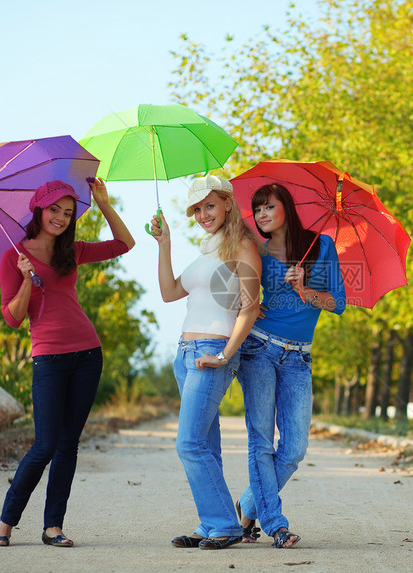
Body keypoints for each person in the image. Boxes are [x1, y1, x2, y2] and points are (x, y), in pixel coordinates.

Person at [0, 178, 135, 548]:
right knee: (45, 444)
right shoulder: (13, 256)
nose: (61, 218)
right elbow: (13, 318)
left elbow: (124, 244)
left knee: (69, 444)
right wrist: (25, 280)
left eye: (69, 213)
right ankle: (6, 522)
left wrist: (102, 202)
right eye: (55, 209)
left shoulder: (73, 252)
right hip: (48, 358)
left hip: (88, 353)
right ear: (39, 208)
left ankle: (53, 526)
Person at [149, 174, 262, 550]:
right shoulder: (207, 248)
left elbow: (249, 308)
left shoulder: (242, 248)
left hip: (213, 352)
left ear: (228, 203)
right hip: (185, 353)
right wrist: (165, 244)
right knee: (206, 445)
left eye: (209, 205)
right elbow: (169, 292)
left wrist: (225, 355)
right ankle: (211, 524)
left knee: (189, 443)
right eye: (196, 209)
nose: (202, 214)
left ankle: (225, 525)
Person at [235, 183, 346, 548]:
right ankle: (276, 525)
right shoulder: (256, 249)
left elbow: (338, 304)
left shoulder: (321, 246)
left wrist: (304, 291)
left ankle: (248, 504)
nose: (263, 215)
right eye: (258, 210)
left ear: (287, 208)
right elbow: (236, 288)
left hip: (299, 357)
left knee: (295, 448)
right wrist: (250, 302)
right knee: (261, 442)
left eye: (269, 207)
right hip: (260, 349)